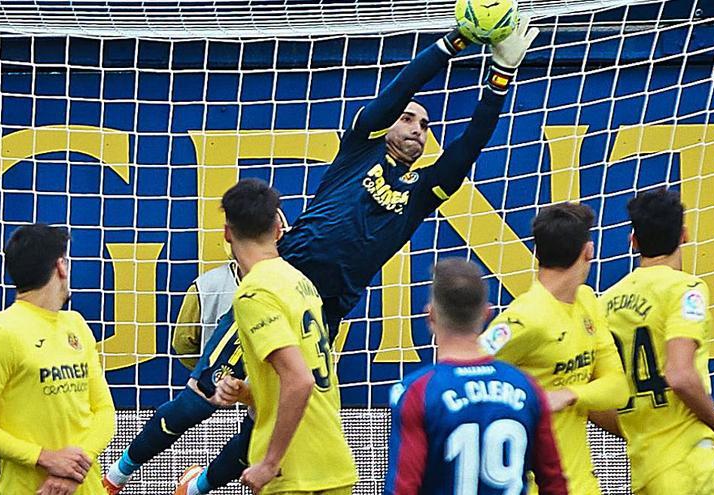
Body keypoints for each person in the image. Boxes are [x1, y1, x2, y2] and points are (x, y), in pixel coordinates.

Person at [104, 17, 540, 495]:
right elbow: (398, 90)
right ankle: (117, 474)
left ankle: (200, 485)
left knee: (276, 408)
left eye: (425, 125)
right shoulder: (359, 150)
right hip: (278, 285)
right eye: (409, 118)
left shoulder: (421, 192)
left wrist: (501, 74)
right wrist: (452, 42)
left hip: (324, 310)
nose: (417, 128)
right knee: (206, 392)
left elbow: (469, 146)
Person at [195, 178, 357, 495]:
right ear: (278, 228)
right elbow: (301, 372)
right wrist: (247, 391)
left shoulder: (254, 293)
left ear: (227, 233)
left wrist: (269, 463)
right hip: (332, 461)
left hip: (291, 471)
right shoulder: (299, 281)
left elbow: (300, 380)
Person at [478, 203, 628, 494]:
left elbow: (617, 387)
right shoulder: (523, 318)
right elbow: (466, 373)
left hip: (582, 485)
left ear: (537, 253)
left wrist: (568, 394)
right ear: (589, 250)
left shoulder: (587, 302)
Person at [385, 258, 568, 495]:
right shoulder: (526, 386)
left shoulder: (417, 391)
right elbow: (555, 483)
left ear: (430, 315)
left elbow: (402, 488)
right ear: (487, 313)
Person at [0, 224, 116, 495]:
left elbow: (105, 411)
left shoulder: (76, 325)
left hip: (85, 487)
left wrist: (73, 470)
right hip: (31, 489)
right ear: (61, 266)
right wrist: (44, 458)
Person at [591, 188, 714, 494]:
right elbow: (680, 375)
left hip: (644, 469)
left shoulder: (605, 303)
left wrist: (635, 429)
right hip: (688, 464)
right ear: (684, 235)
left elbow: (590, 400)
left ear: (634, 241)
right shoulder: (686, 289)